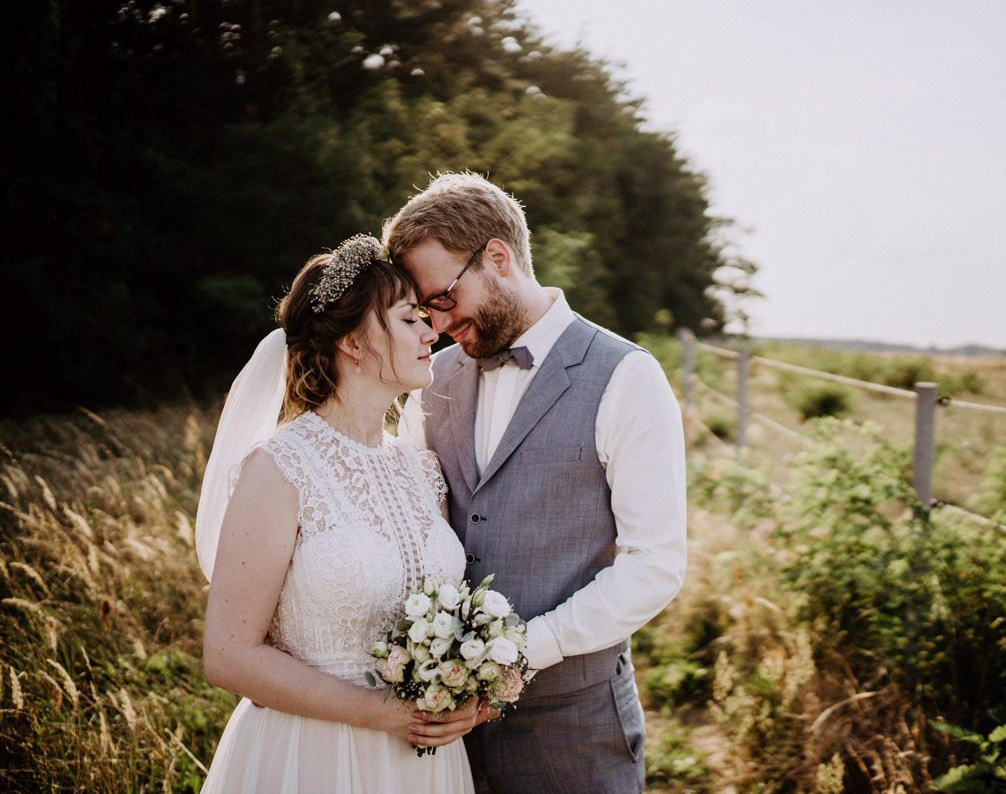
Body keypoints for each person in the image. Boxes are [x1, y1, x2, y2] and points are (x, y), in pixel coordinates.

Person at [383, 173, 688, 793]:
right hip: (441, 739)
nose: (437, 325)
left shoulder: (627, 376)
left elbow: (655, 564)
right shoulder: (428, 380)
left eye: (443, 297)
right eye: (423, 309)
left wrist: (523, 650)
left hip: (573, 730)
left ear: (497, 256)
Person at [194, 234, 478, 793]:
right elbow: (228, 655)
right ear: (353, 342)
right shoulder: (279, 468)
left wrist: (463, 689)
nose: (431, 333)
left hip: (423, 763)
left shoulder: (422, 469)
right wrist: (380, 712)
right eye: (409, 319)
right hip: (313, 755)